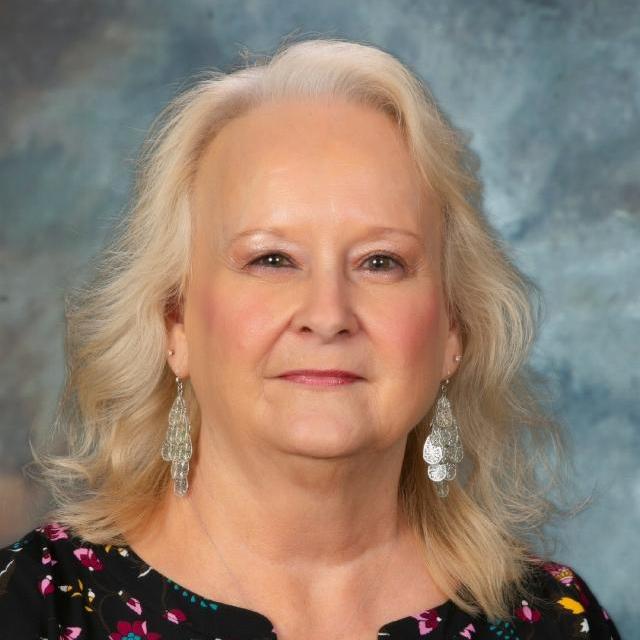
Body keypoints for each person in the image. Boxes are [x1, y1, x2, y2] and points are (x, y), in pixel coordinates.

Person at [0, 37, 621, 640]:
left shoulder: (556, 623)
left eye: (381, 262)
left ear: (453, 329)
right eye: (271, 259)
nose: (328, 315)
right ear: (175, 321)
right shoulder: (33, 608)